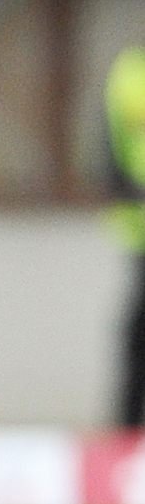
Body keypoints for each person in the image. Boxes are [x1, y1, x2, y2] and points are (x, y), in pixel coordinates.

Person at [109, 45, 145, 430]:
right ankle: (127, 428)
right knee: (138, 336)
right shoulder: (129, 73)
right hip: (140, 230)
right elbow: (108, 149)